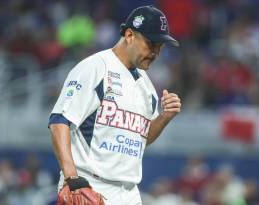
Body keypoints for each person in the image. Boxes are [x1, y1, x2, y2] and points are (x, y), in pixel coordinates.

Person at [48, 5, 181, 205]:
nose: (156, 52)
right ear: (129, 35)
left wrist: (164, 117)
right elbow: (59, 122)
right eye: (151, 44)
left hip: (129, 192)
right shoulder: (95, 68)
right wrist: (71, 178)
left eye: (160, 46)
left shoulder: (147, 86)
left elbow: (141, 139)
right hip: (90, 185)